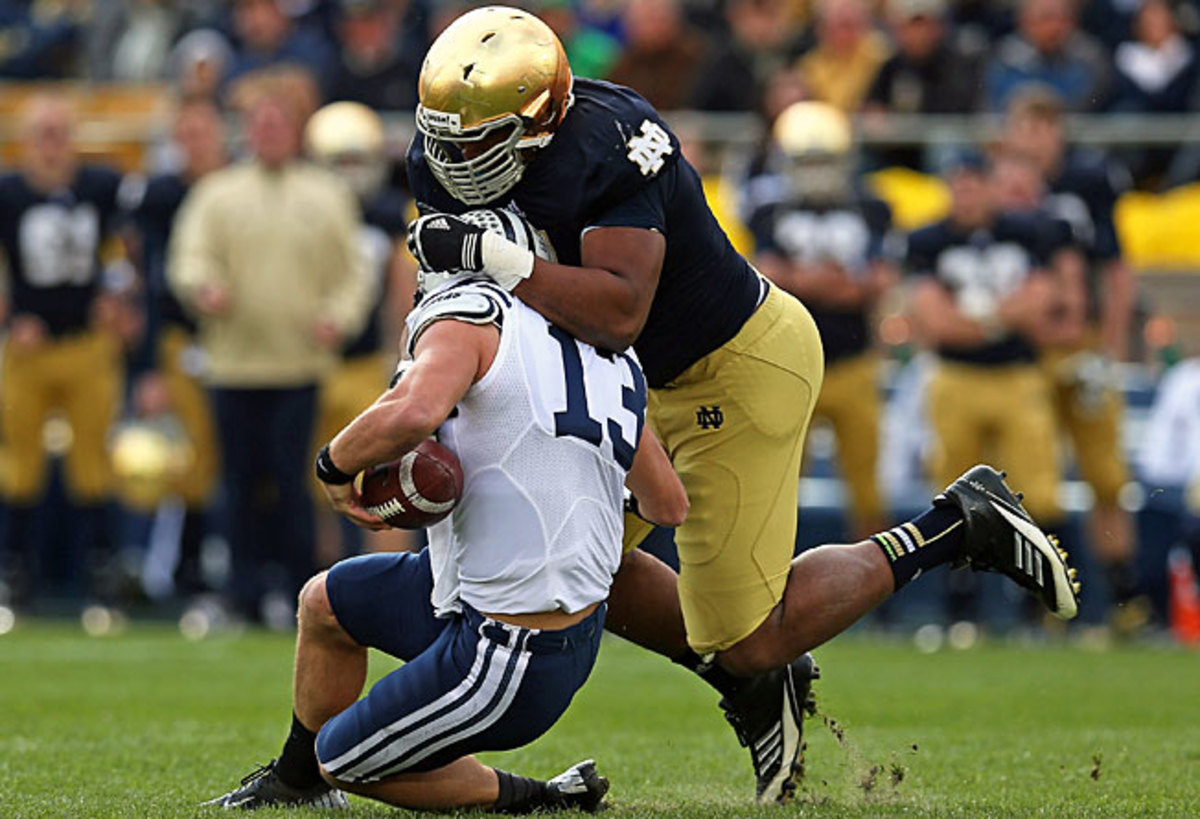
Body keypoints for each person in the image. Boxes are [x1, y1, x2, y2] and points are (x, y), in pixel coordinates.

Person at [405, 6, 1080, 804]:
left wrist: (501, 259)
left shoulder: (611, 140)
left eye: (480, 141)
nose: (456, 160)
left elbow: (620, 308)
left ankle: (956, 524)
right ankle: (748, 684)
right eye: (446, 137)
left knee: (752, 637)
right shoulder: (441, 158)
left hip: (733, 367)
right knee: (572, 561)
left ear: (540, 121)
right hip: (628, 384)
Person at [207, 224, 689, 810]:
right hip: (525, 617)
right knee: (325, 603)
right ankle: (295, 783)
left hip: (513, 649)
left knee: (343, 757)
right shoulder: (602, 352)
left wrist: (333, 468)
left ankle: (544, 797)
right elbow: (668, 504)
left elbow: (415, 410)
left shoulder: (470, 317)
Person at [168, 73, 372, 624]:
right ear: (247, 132)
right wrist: (201, 286)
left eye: (278, 124)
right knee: (236, 484)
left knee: (292, 482)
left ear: (296, 132)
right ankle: (241, 593)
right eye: (260, 125)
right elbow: (188, 258)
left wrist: (339, 318)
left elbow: (354, 273)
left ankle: (299, 590)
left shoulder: (326, 196)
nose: (269, 133)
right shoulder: (217, 194)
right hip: (233, 366)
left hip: (300, 365)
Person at [1001, 89, 1145, 628]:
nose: (1034, 140)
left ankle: (1128, 598)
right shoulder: (1004, 192)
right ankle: (1049, 601)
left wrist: (1108, 349)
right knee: (1034, 481)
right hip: (1024, 352)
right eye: (1025, 127)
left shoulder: (1085, 183)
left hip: (1080, 343)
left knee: (1106, 476)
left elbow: (1114, 269)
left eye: (1044, 127)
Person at [0, 93, 131, 605]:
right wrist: (11, 318)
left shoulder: (98, 187)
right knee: (20, 462)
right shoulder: (9, 193)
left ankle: (101, 571)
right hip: (28, 346)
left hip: (87, 342)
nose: (51, 146)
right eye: (42, 134)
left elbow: (122, 252)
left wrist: (116, 300)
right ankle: (13, 572)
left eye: (59, 133)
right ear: (26, 142)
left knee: (92, 462)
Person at [748, 101, 897, 541]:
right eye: (805, 161)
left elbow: (879, 281)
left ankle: (878, 586)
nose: (814, 171)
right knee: (778, 482)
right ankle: (773, 577)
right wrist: (837, 284)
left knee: (868, 483)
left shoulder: (872, 206)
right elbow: (766, 275)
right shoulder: (768, 208)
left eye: (823, 160)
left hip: (854, 362)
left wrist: (805, 280)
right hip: (789, 364)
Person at [121, 97, 228, 595]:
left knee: (227, 455)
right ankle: (171, 567)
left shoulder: (238, 190)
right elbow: (143, 283)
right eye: (186, 134)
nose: (195, 143)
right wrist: (147, 368)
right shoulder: (159, 196)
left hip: (235, 338)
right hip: (177, 338)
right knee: (180, 458)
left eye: (203, 132)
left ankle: (214, 563)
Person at [304, 100, 417, 557]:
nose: (350, 174)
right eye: (339, 162)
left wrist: (399, 357)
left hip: (370, 363)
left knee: (383, 486)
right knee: (319, 487)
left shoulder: (393, 213)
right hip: (313, 360)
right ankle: (326, 588)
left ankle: (391, 577)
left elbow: (401, 289)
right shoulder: (304, 210)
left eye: (357, 160)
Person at [982, 0, 1112, 112]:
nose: (1055, 27)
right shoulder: (1004, 57)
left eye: (1063, 19)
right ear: (1025, 21)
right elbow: (990, 108)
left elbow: (1089, 106)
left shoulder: (1091, 57)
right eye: (1046, 18)